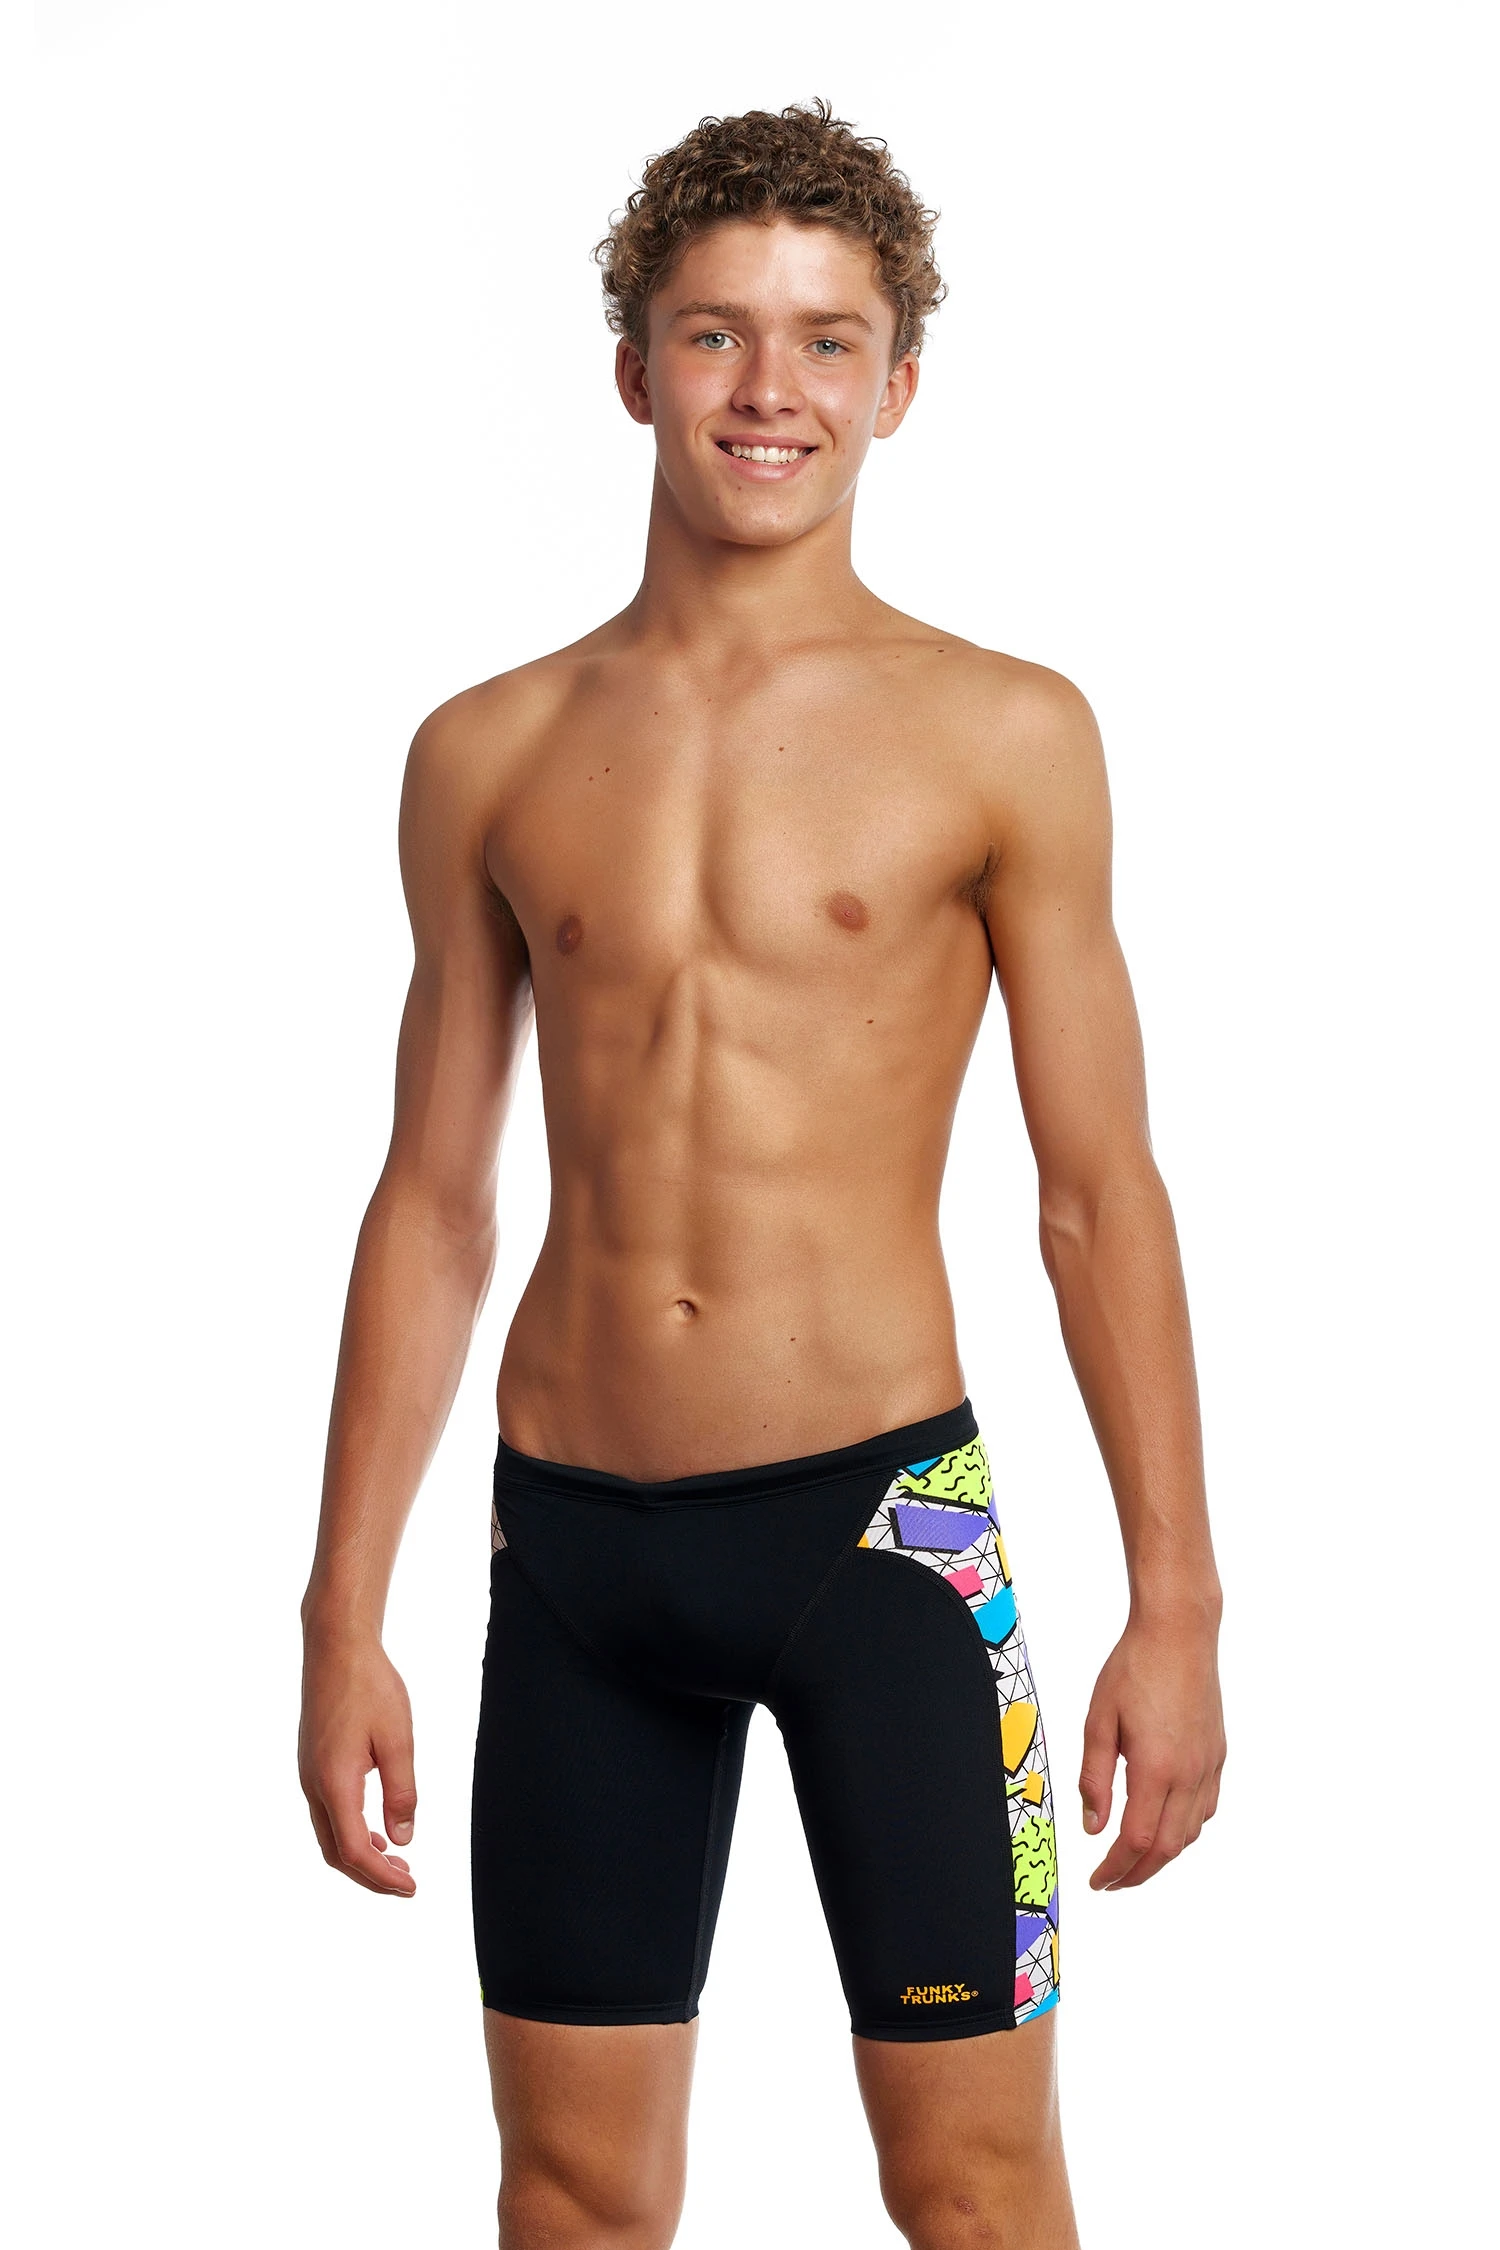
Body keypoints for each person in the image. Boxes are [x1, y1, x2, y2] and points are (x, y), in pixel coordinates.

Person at [298, 97, 1226, 2250]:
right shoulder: (488, 751)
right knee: (573, 2198)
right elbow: (433, 1201)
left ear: (898, 387)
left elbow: (1098, 1194)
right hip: (573, 1550)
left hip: (887, 1538)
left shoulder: (1005, 733)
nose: (768, 389)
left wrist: (1177, 1600)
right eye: (717, 334)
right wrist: (343, 1608)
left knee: (976, 2190)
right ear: (635, 368)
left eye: (826, 340)